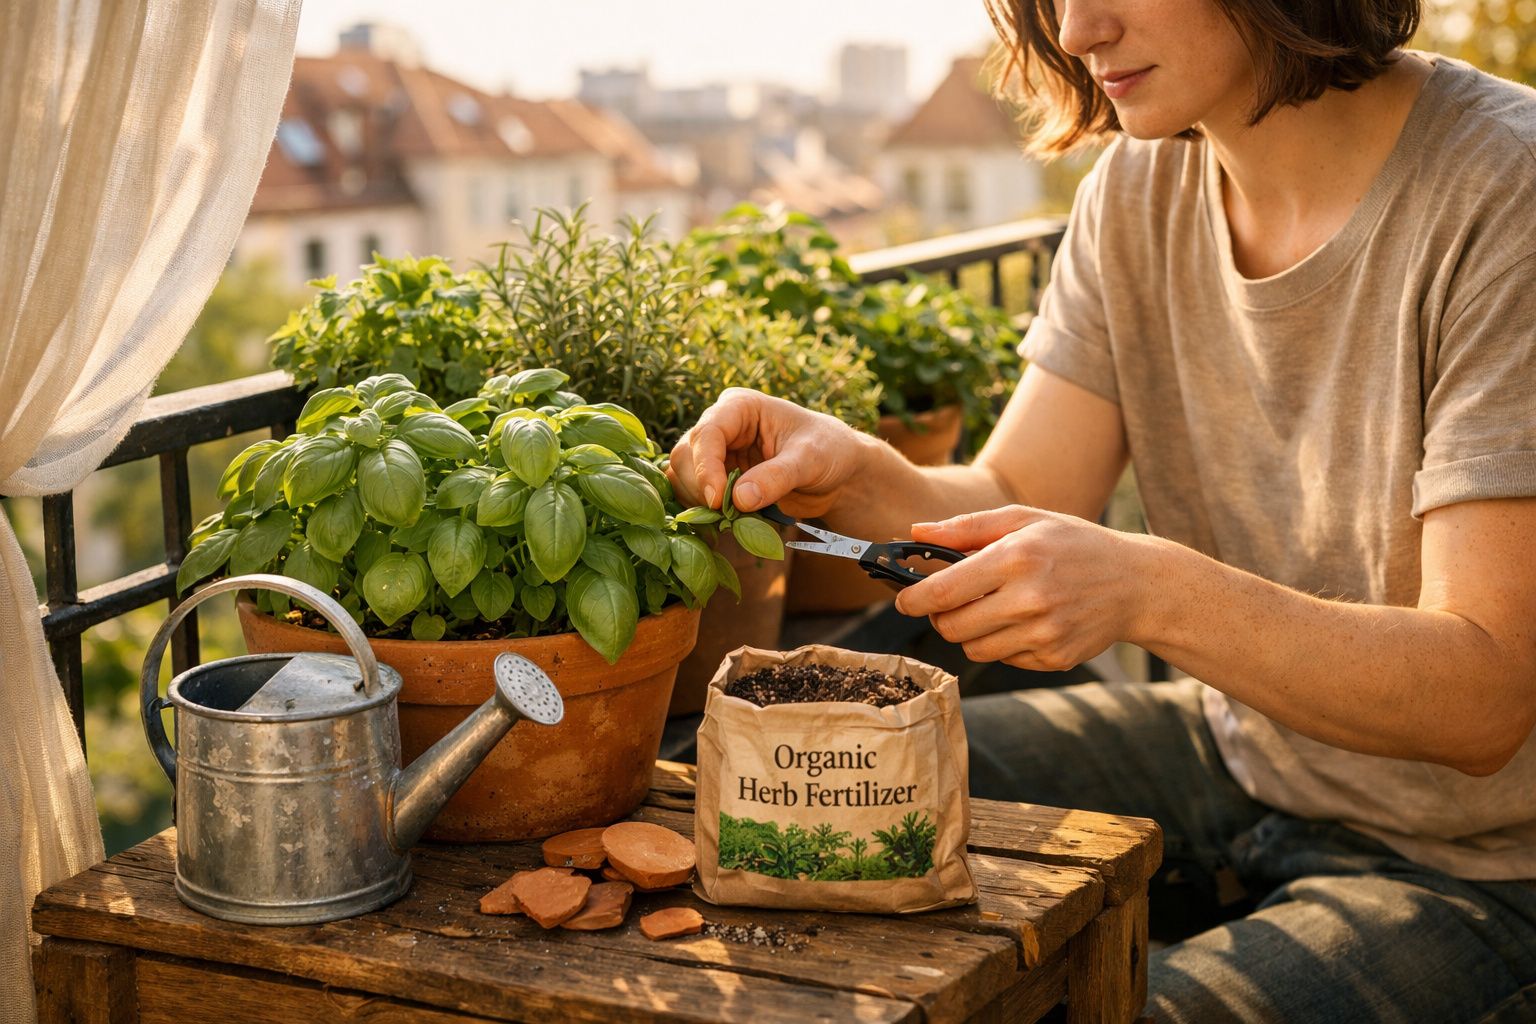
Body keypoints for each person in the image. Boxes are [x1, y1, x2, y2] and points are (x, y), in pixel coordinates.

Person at [668, 0, 1536, 1019]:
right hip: (1245, 751)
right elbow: (1016, 496)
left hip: (1490, 863)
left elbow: (1485, 699)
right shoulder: (1137, 186)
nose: (1076, 32)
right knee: (768, 789)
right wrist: (854, 472)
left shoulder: (1505, 190)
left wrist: (1147, 589)